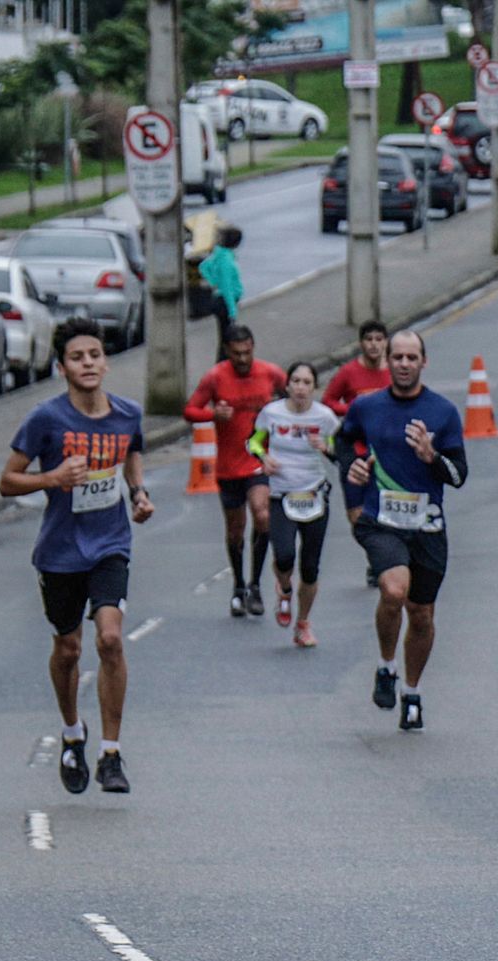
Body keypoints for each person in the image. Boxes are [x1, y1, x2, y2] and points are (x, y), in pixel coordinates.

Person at [0, 318, 153, 794]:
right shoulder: (46, 419)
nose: (88, 363)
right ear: (62, 367)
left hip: (109, 544)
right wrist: (53, 478)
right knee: (68, 650)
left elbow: (131, 453)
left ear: (105, 362)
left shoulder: (126, 414)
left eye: (94, 355)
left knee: (110, 639)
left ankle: (111, 753)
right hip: (61, 551)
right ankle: (72, 734)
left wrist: (139, 493)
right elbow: (7, 482)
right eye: (77, 357)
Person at [336, 330, 469, 731]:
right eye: (398, 357)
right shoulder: (367, 407)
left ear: (423, 362)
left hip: (427, 526)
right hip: (381, 521)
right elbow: (343, 442)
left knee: (423, 615)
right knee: (394, 590)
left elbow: (459, 475)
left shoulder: (443, 412)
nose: (404, 364)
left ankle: (412, 692)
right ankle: (385, 665)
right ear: (388, 362)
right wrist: (352, 473)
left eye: (412, 357)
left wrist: (431, 456)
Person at [183, 324, 285, 618]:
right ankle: (239, 586)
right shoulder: (215, 377)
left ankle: (255, 584)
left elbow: (295, 395)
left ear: (254, 347)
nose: (243, 359)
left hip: (258, 461)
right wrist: (212, 414)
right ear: (227, 351)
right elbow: (190, 410)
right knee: (235, 530)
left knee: (263, 515)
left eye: (247, 352)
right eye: (237, 353)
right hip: (228, 466)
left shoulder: (270, 373)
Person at [248, 361, 340, 647]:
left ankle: (303, 624)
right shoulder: (272, 413)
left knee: (311, 567)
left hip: (313, 495)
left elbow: (344, 451)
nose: (300, 388)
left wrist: (327, 447)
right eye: (296, 382)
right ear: (287, 385)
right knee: (285, 555)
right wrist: (264, 458)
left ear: (314, 387)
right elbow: (253, 442)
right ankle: (284, 588)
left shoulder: (325, 417)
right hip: (281, 495)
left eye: (306, 383)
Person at [324, 321, 394, 587]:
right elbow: (328, 401)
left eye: (379, 339)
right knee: (356, 514)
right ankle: (375, 554)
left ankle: (383, 560)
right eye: (369, 339)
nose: (374, 344)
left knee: (384, 507)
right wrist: (353, 409)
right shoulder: (349, 372)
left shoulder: (394, 372)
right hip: (353, 449)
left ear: (386, 342)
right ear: (361, 343)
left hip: (386, 449)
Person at [199, 225, 245, 360]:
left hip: (219, 300)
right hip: (224, 302)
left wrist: (213, 281)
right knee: (228, 337)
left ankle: (223, 363)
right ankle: (223, 364)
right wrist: (232, 311)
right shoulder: (226, 260)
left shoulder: (220, 255)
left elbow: (203, 266)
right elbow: (227, 287)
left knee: (225, 335)